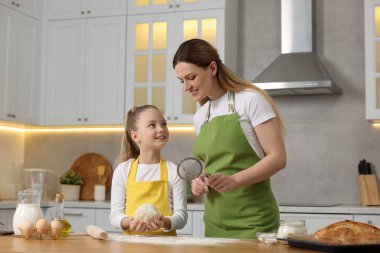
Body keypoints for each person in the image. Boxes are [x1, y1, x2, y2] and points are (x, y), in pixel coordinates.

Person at [172, 39, 286, 239]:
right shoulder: (200, 116)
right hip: (215, 222)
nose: (186, 87)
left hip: (254, 222)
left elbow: (278, 158)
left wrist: (235, 180)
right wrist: (201, 179)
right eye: (182, 81)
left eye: (191, 77)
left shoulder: (250, 100)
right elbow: (216, 164)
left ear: (213, 68)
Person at [109, 105, 187, 236]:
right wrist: (129, 222)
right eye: (152, 125)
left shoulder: (174, 171)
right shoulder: (123, 170)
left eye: (163, 124)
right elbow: (115, 215)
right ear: (135, 136)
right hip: (130, 246)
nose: (161, 129)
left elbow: (181, 216)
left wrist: (165, 222)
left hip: (165, 246)